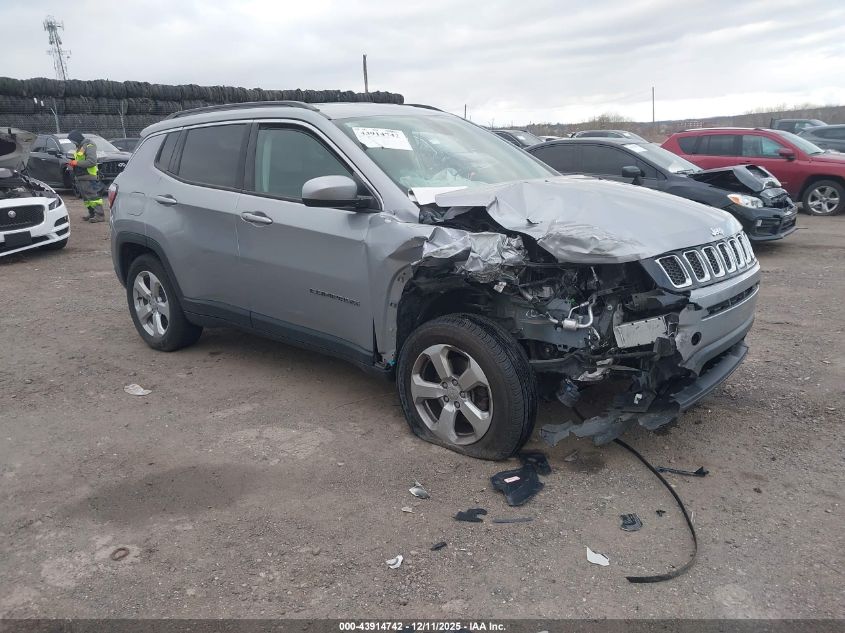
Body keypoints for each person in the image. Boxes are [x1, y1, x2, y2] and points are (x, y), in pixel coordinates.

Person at [67, 129, 105, 223]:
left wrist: (76, 163)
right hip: (81, 176)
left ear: (76, 138)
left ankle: (99, 215)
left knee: (93, 197)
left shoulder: (89, 146)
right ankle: (92, 213)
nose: (72, 142)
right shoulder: (80, 147)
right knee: (86, 198)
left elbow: (91, 162)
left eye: (72, 140)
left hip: (89, 176)